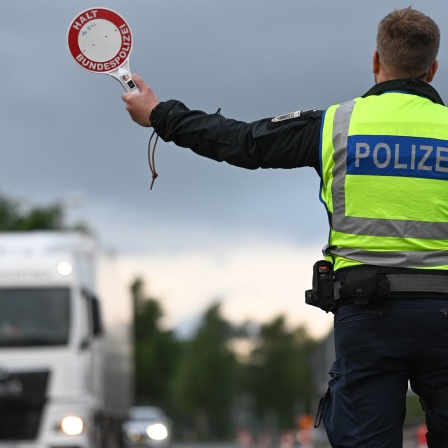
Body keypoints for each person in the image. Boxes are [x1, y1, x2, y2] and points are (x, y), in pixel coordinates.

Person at [122, 7, 448, 448]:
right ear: (433, 68)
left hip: (368, 313)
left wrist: (160, 114)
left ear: (375, 61)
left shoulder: (335, 125)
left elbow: (243, 141)